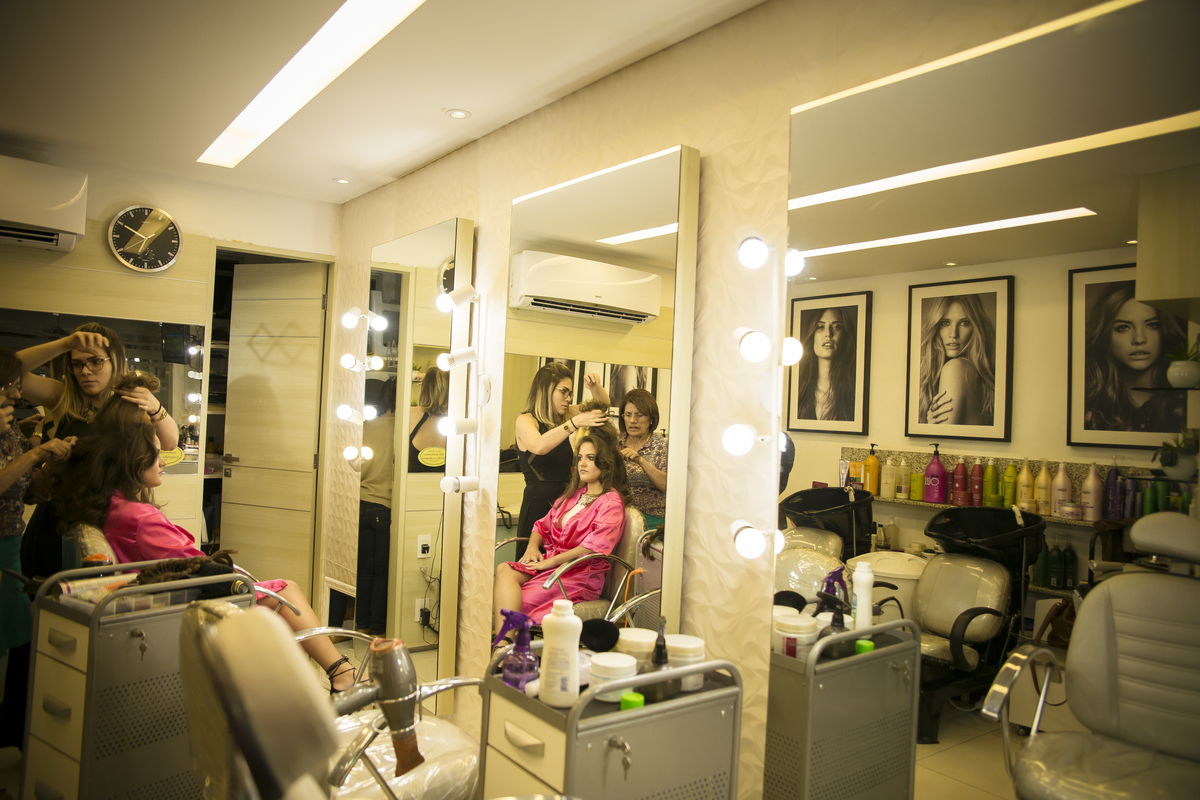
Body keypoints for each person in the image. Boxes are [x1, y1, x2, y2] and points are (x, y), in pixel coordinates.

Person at [50, 379, 358, 693]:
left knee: (280, 600)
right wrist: (239, 581)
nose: (163, 460)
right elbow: (197, 571)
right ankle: (341, 673)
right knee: (286, 591)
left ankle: (330, 678)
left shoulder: (112, 505)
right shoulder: (140, 518)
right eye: (155, 453)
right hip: (182, 603)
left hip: (163, 594)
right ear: (132, 458)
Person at [16, 323, 179, 580]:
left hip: (111, 524)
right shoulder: (62, 399)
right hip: (58, 525)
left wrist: (155, 407)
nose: (85, 371)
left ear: (116, 361)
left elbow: (169, 442)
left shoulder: (130, 407)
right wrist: (65, 344)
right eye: (77, 364)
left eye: (95, 362)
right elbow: (7, 371)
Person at [0, 348, 76, 748]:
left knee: (18, 635)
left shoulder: (10, 428)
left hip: (10, 542)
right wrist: (35, 453)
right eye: (8, 387)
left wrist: (50, 467)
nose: (16, 395)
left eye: (16, 387)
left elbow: (27, 491)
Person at [493, 431, 628, 630]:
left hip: (578, 574)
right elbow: (542, 525)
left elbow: (593, 547)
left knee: (517, 600)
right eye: (580, 458)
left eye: (590, 458)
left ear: (605, 463)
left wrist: (549, 562)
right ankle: (506, 644)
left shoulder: (611, 503)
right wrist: (532, 547)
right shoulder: (574, 495)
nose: (582, 464)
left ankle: (504, 645)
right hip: (553, 565)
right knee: (504, 569)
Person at [514, 363, 610, 537]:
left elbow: (602, 405)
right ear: (545, 390)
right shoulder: (526, 420)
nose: (568, 398)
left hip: (565, 502)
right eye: (563, 392)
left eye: (570, 393)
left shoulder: (564, 417)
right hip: (537, 504)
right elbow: (538, 446)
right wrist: (574, 423)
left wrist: (594, 386)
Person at [1084, 280, 1187, 432]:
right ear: (1104, 335)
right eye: (1123, 328)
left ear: (1166, 329)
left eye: (1152, 325)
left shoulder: (1185, 404)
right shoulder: (1089, 406)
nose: (1139, 339)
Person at [918, 295, 996, 426]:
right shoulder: (972, 372)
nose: (953, 334)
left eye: (964, 323)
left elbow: (941, 438)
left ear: (976, 326)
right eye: (945, 323)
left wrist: (930, 429)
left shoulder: (955, 368)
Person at [616, 388, 668, 529]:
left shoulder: (662, 446)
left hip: (653, 521)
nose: (633, 420)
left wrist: (641, 461)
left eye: (639, 415)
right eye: (628, 415)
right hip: (619, 517)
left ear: (651, 418)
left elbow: (667, 485)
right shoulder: (616, 444)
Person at [794, 307, 857, 421]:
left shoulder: (854, 394)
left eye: (836, 327)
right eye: (820, 327)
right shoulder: (798, 392)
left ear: (845, 336)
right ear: (812, 335)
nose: (828, 334)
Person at [409, 369, 448, 472]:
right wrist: (437, 379)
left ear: (424, 389)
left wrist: (430, 381)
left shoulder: (410, 414)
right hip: (450, 481)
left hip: (412, 481)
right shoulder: (460, 417)